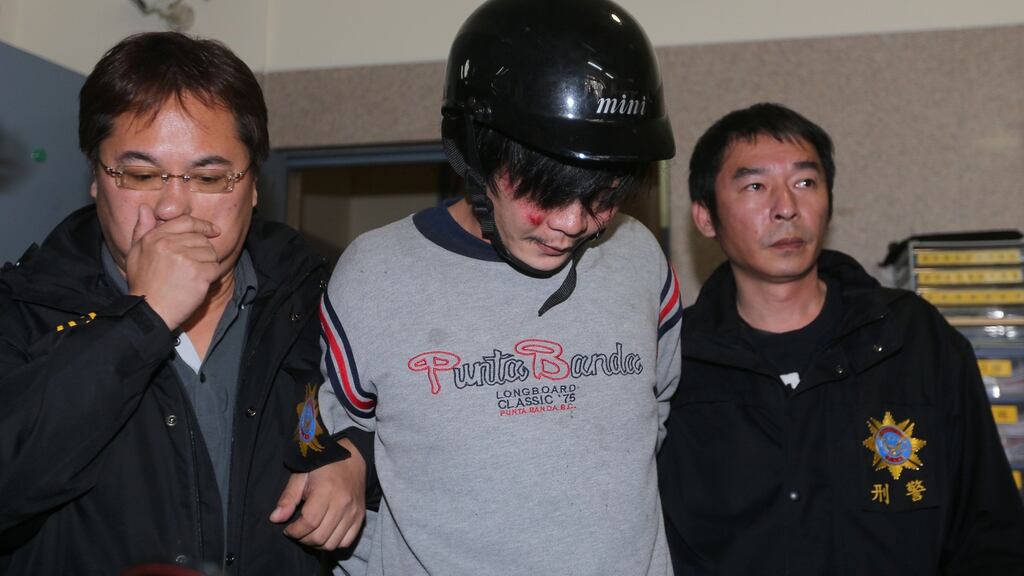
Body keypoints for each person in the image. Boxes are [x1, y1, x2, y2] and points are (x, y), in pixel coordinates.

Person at [290, 0, 683, 573]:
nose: (573, 223)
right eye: (545, 193)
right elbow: (333, 427)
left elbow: (658, 409)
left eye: (602, 196)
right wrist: (342, 455)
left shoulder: (638, 257)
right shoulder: (375, 275)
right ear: (475, 153)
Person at [0, 32, 361, 575]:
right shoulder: (19, 310)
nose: (173, 205)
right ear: (96, 178)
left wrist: (356, 459)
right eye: (141, 175)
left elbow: (395, 421)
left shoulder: (312, 299)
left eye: (210, 177)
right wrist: (142, 320)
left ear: (253, 186)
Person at [658, 102, 1024, 575]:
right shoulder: (674, 363)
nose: (786, 207)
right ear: (706, 218)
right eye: (755, 186)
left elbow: (990, 529)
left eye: (805, 182)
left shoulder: (911, 338)